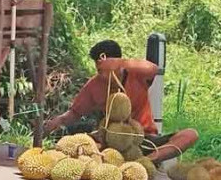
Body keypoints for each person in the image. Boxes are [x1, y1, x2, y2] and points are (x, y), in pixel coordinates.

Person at [44, 40, 198, 164]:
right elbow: (73, 114)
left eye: (105, 67)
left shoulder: (136, 75)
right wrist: (53, 124)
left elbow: (154, 69)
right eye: (99, 69)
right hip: (110, 141)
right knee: (79, 142)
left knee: (190, 135)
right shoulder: (94, 85)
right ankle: (109, 161)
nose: (102, 73)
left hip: (143, 139)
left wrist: (121, 63)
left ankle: (146, 162)